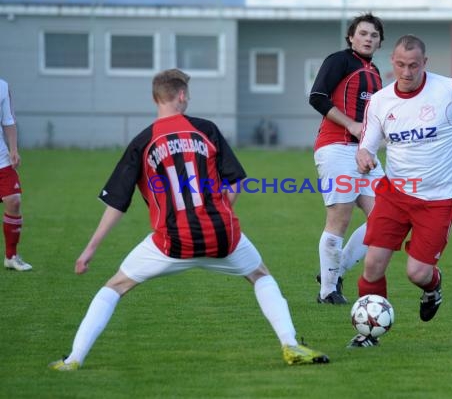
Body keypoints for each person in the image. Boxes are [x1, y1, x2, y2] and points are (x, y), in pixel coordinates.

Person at [48, 69, 329, 370]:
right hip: (222, 235)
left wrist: (90, 250)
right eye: (188, 95)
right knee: (260, 275)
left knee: (115, 286)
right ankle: (290, 345)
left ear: (156, 97)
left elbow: (117, 202)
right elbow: (235, 183)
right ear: (181, 95)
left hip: (172, 241)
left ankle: (74, 358)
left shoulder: (142, 142)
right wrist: (221, 213)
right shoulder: (206, 130)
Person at [351, 34, 452, 347]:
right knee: (373, 264)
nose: (407, 71)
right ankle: (368, 335)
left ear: (424, 63)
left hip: (438, 199)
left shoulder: (449, 91)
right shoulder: (380, 101)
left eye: (413, 65)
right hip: (395, 193)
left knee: (417, 272)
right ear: (392, 62)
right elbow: (368, 144)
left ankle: (433, 287)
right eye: (400, 64)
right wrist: (364, 155)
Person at [309, 12, 386, 304]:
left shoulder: (375, 71)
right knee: (339, 218)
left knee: (384, 218)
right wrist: (351, 125)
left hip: (365, 152)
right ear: (351, 37)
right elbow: (317, 96)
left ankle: (334, 271)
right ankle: (328, 291)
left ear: (380, 42)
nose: (368, 38)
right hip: (336, 147)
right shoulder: (339, 60)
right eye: (363, 33)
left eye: (374, 35)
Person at [0, 78, 32, 272]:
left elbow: (8, 120)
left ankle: (11, 256)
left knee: (14, 201)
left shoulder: (2, 86)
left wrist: (13, 149)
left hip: (1, 159)